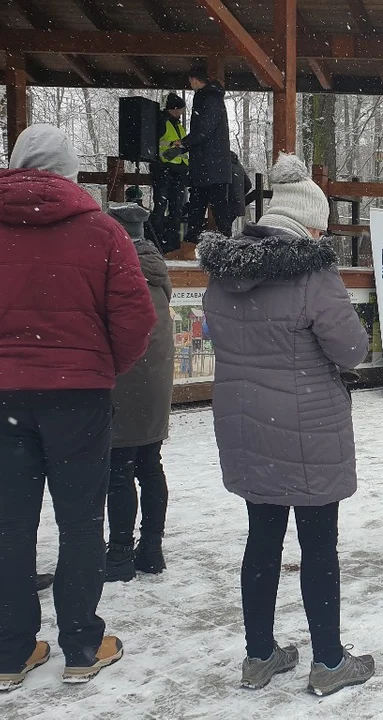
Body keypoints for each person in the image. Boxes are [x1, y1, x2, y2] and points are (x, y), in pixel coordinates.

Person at [200, 154, 374, 696]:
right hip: (309, 428)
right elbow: (351, 349)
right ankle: (327, 662)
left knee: (262, 538)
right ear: (307, 223)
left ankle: (259, 656)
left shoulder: (225, 273)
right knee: (319, 545)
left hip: (247, 425)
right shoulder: (313, 275)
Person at [0, 124, 155, 690]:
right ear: (69, 172)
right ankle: (84, 644)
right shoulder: (102, 231)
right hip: (79, 399)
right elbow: (137, 319)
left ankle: (11, 651)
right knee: (81, 522)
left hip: (4, 398)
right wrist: (99, 367)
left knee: (9, 525)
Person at [104, 203, 175, 582]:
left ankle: (118, 555)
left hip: (124, 380)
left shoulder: (113, 269)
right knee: (150, 466)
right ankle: (152, 548)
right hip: (156, 383)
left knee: (119, 471)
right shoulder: (156, 267)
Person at [179, 64, 233, 243]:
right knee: (214, 205)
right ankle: (218, 238)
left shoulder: (207, 99)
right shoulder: (214, 98)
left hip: (207, 165)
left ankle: (194, 239)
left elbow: (204, 130)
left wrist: (184, 143)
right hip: (212, 165)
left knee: (203, 205)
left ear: (195, 80)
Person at [149, 92, 189, 254]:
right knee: (161, 206)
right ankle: (157, 241)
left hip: (178, 172)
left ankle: (171, 243)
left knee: (176, 209)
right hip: (164, 170)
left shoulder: (178, 126)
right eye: (180, 109)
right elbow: (155, 145)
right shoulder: (162, 122)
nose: (182, 112)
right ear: (173, 109)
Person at [229, 151, 253, 231]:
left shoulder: (222, 165)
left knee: (220, 229)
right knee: (226, 228)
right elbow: (248, 184)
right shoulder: (238, 165)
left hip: (226, 201)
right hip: (236, 203)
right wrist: (239, 196)